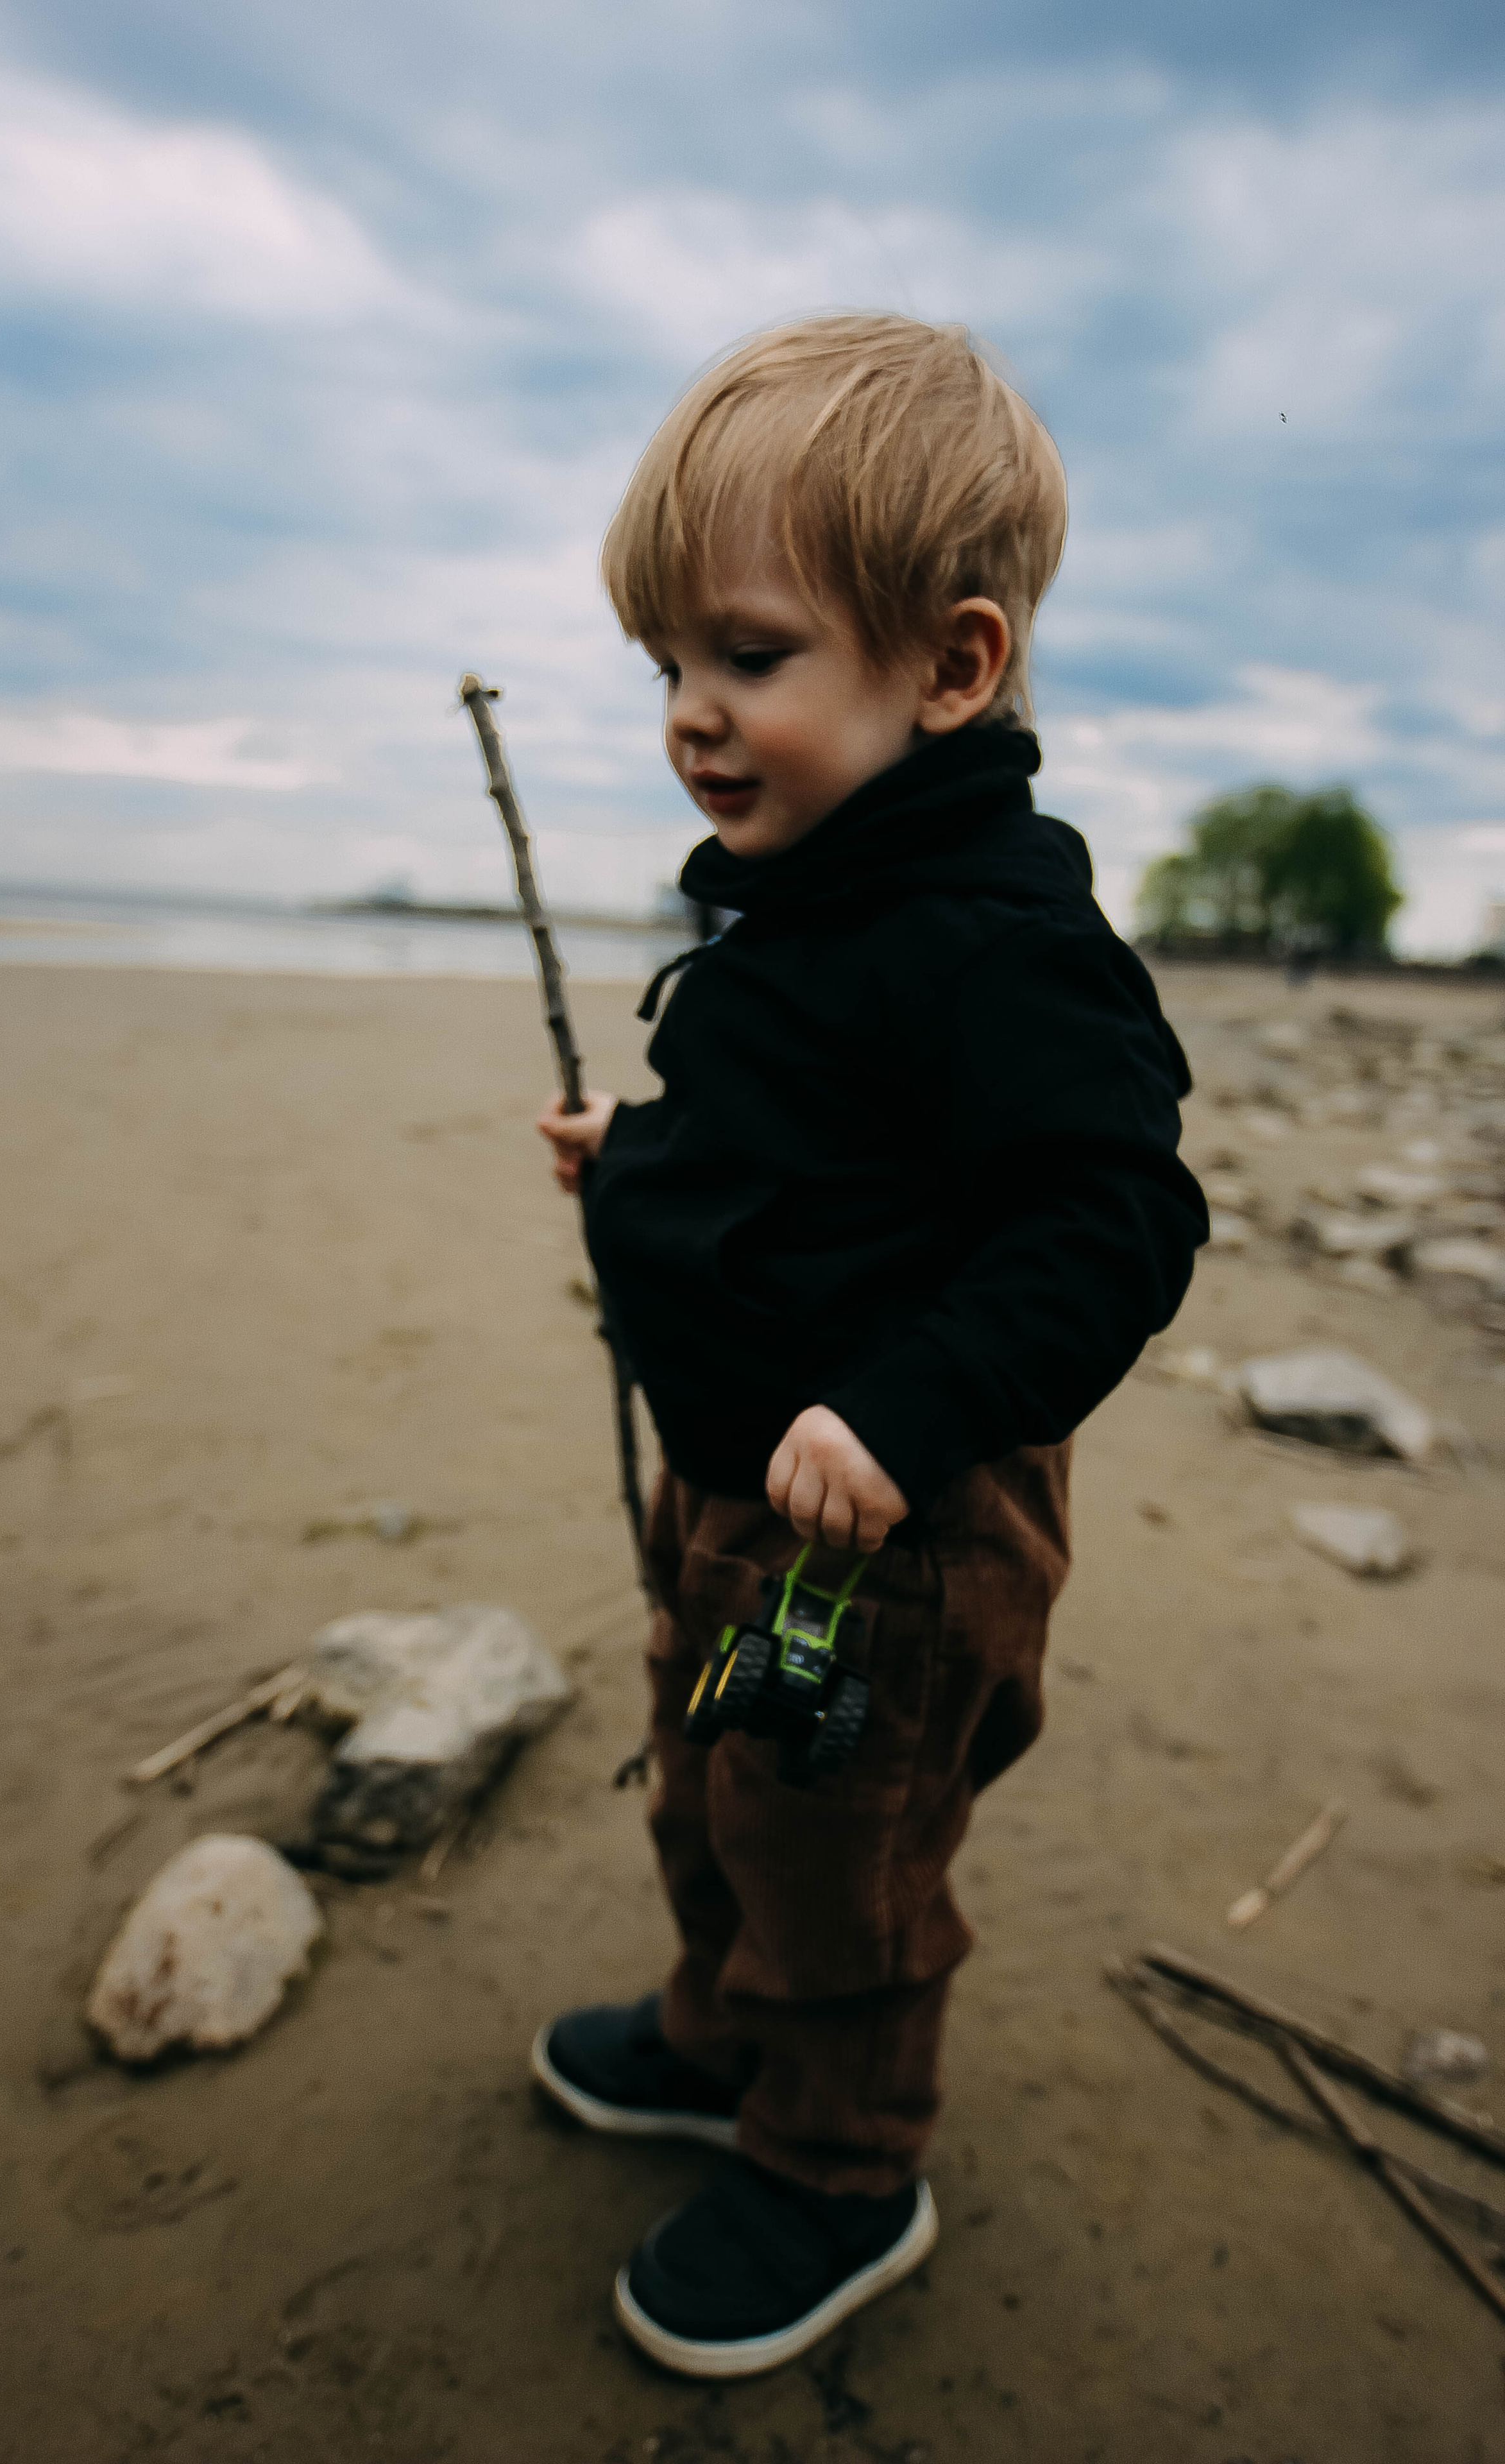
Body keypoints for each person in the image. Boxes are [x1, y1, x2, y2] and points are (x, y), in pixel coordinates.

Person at [531, 313, 1207, 2379]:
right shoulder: (797, 892)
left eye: (748, 657)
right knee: (718, 1786)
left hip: (893, 1544)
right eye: (667, 666)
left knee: (841, 1845)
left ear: (954, 665)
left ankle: (842, 2161)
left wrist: (909, 1408)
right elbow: (804, 1146)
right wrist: (637, 1164)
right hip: (735, 1492)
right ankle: (724, 2030)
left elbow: (1116, 1221)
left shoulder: (1001, 941)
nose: (692, 718)